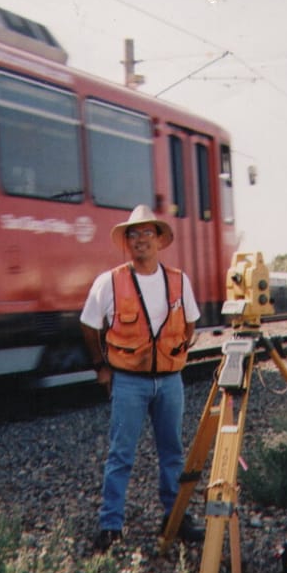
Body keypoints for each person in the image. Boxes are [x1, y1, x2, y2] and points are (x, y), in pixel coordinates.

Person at [80, 204, 205, 552]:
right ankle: (110, 526)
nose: (140, 240)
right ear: (127, 242)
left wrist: (175, 352)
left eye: (147, 233)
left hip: (170, 381)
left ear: (159, 240)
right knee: (121, 454)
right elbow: (89, 325)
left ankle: (175, 518)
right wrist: (100, 366)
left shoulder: (179, 280)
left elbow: (191, 322)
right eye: (133, 235)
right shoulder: (109, 281)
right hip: (128, 382)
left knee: (173, 453)